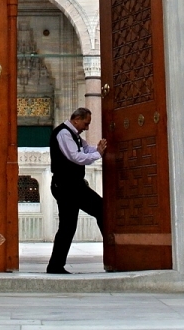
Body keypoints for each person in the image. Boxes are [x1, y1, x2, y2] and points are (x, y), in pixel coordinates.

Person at [46, 107, 107, 274]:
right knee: (100, 210)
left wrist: (99, 148)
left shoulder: (75, 136)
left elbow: (86, 149)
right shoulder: (64, 134)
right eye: (86, 124)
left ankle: (55, 265)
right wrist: (99, 155)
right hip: (67, 186)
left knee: (68, 226)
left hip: (72, 186)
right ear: (76, 119)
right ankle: (115, 254)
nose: (86, 128)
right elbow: (76, 157)